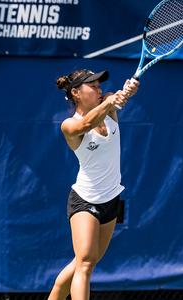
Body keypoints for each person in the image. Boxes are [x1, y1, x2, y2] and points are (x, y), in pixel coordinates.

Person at [48, 69, 139, 300]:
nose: (99, 90)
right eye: (93, 86)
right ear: (76, 93)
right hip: (84, 201)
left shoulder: (108, 107)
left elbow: (116, 98)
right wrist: (111, 100)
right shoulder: (69, 125)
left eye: (100, 86)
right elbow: (88, 122)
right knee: (86, 263)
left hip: (111, 199)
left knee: (86, 261)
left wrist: (126, 92)